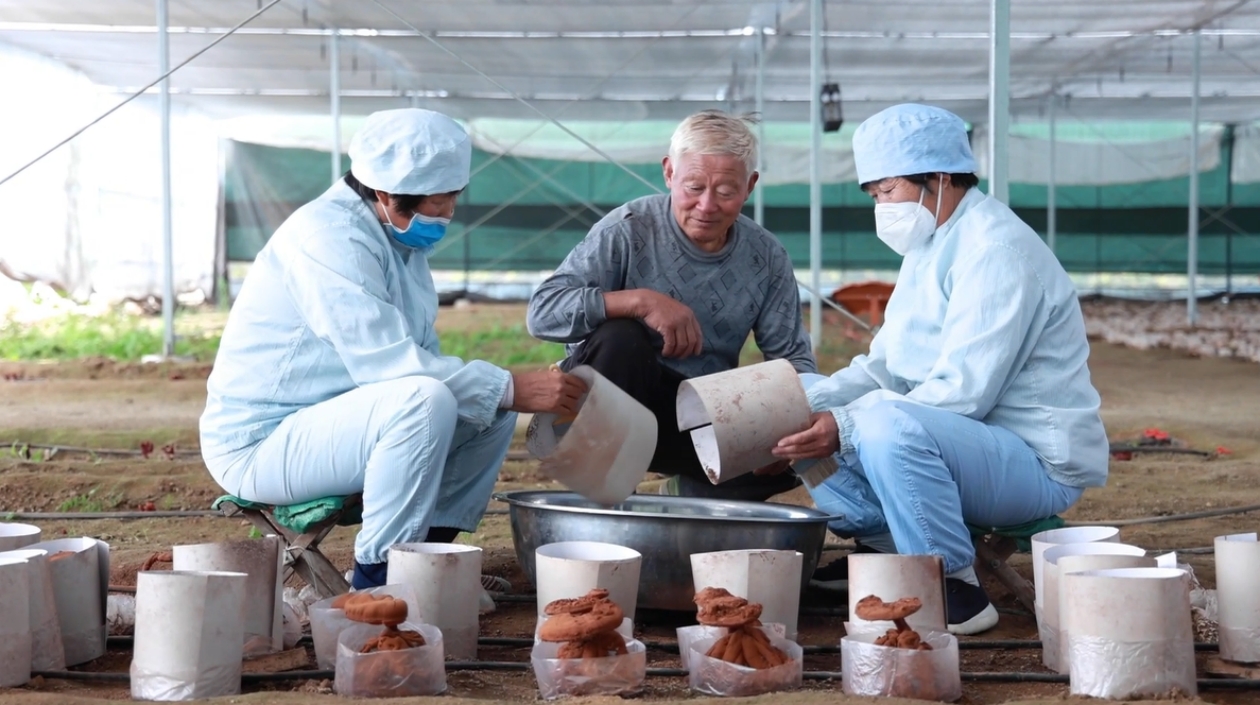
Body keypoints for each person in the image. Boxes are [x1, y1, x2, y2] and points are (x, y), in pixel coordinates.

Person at [200, 108, 586, 591]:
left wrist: (502, 392)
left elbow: (422, 358)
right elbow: (388, 366)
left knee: (488, 409)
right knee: (430, 400)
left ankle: (432, 563)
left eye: (451, 202)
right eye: (436, 206)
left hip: (335, 422)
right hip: (261, 441)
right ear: (384, 194)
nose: (446, 216)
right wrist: (510, 385)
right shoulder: (328, 238)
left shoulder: (398, 242)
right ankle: (380, 582)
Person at [770, 104, 1109, 635]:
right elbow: (887, 367)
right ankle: (881, 541)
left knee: (883, 424)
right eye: (875, 196)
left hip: (1031, 463)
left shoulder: (996, 250)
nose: (881, 207)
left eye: (888, 192)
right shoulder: (930, 245)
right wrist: (803, 404)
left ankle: (953, 585)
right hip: (968, 446)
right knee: (799, 399)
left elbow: (962, 393)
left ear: (940, 177)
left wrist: (848, 424)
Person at [525, 110, 817, 501]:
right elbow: (543, 312)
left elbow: (793, 359)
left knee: (797, 455)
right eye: (694, 186)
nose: (707, 205)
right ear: (668, 173)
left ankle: (687, 485)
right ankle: (603, 499)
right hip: (609, 402)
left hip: (698, 411)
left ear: (750, 186)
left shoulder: (766, 256)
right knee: (622, 338)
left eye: (726, 191)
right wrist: (639, 302)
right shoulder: (628, 227)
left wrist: (784, 427)